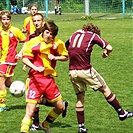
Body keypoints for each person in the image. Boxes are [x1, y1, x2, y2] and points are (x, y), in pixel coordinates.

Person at [65, 22, 133, 133]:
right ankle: (122, 113)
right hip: (86, 70)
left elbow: (66, 46)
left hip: (72, 71)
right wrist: (106, 53)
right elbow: (110, 47)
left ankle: (81, 127)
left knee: (80, 98)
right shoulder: (93, 35)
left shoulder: (75, 33)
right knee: (105, 89)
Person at [21, 13, 68, 131]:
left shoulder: (58, 43)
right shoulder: (33, 42)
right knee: (30, 112)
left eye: (51, 34)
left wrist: (56, 58)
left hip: (49, 81)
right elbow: (25, 58)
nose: (48, 36)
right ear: (43, 30)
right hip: (34, 80)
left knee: (60, 107)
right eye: (47, 32)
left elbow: (65, 56)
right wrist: (34, 67)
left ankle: (45, 124)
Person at [0, 10, 26, 112]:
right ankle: (26, 90)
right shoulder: (0, 31)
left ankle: (2, 105)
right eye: (3, 19)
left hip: (9, 60)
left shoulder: (15, 30)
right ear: (0, 20)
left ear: (10, 20)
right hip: (3, 59)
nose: (6, 21)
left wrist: (20, 53)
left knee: (0, 80)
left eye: (7, 19)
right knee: (7, 83)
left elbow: (26, 41)